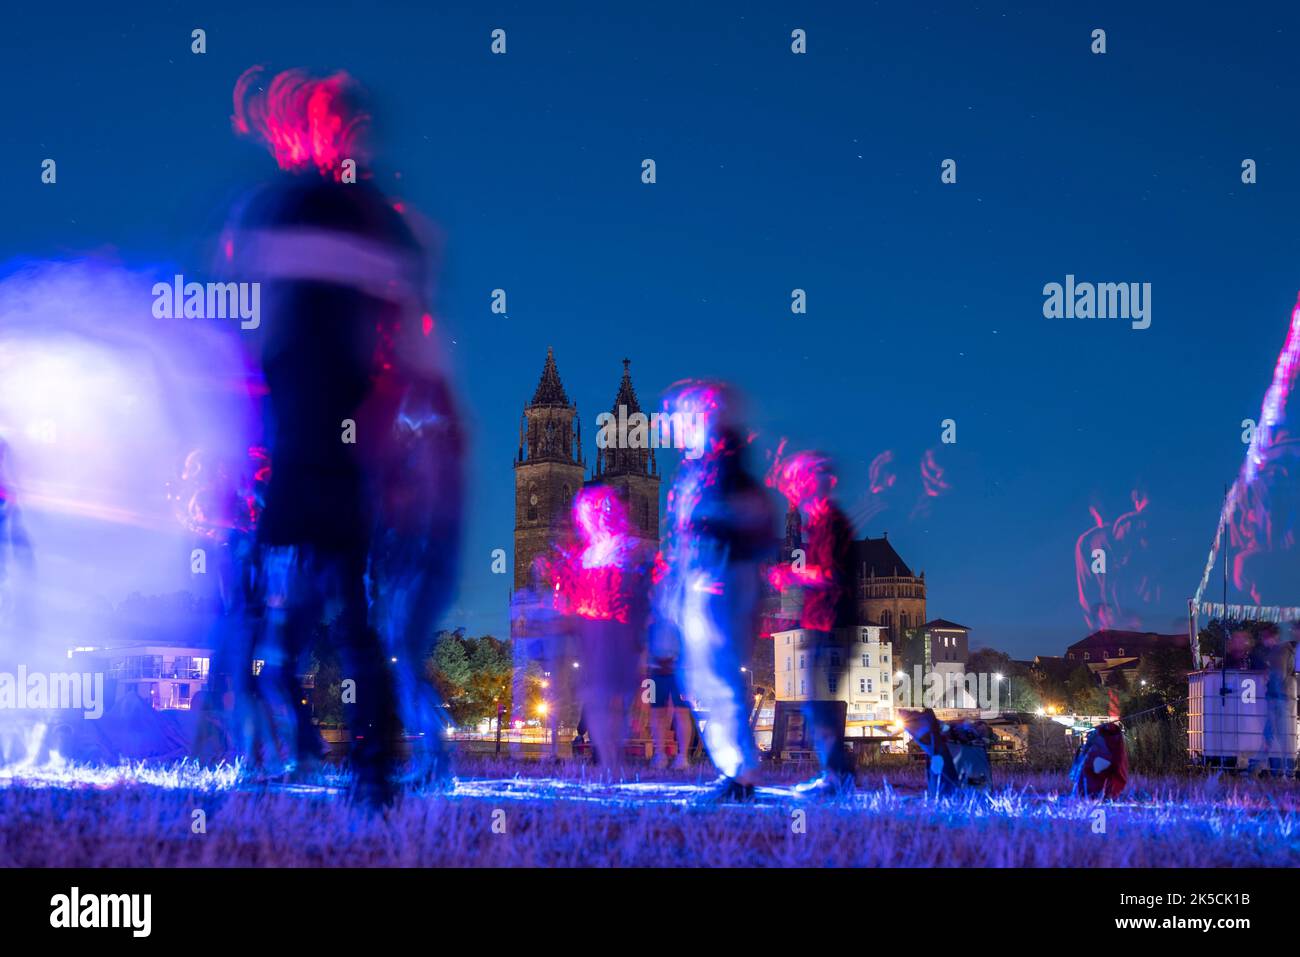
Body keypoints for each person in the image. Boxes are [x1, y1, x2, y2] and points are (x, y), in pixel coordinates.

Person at [659, 382, 777, 801]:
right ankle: (736, 772)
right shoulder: (710, 463)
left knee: (718, 674)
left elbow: (751, 520)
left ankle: (740, 775)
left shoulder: (724, 464)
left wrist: (709, 539)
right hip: (712, 578)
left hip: (722, 578)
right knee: (705, 675)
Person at [767, 450, 856, 793]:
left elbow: (833, 575)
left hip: (832, 623)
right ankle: (837, 774)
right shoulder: (822, 522)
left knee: (816, 703)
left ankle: (838, 777)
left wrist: (797, 577)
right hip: (824, 622)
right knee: (815, 702)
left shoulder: (831, 523)